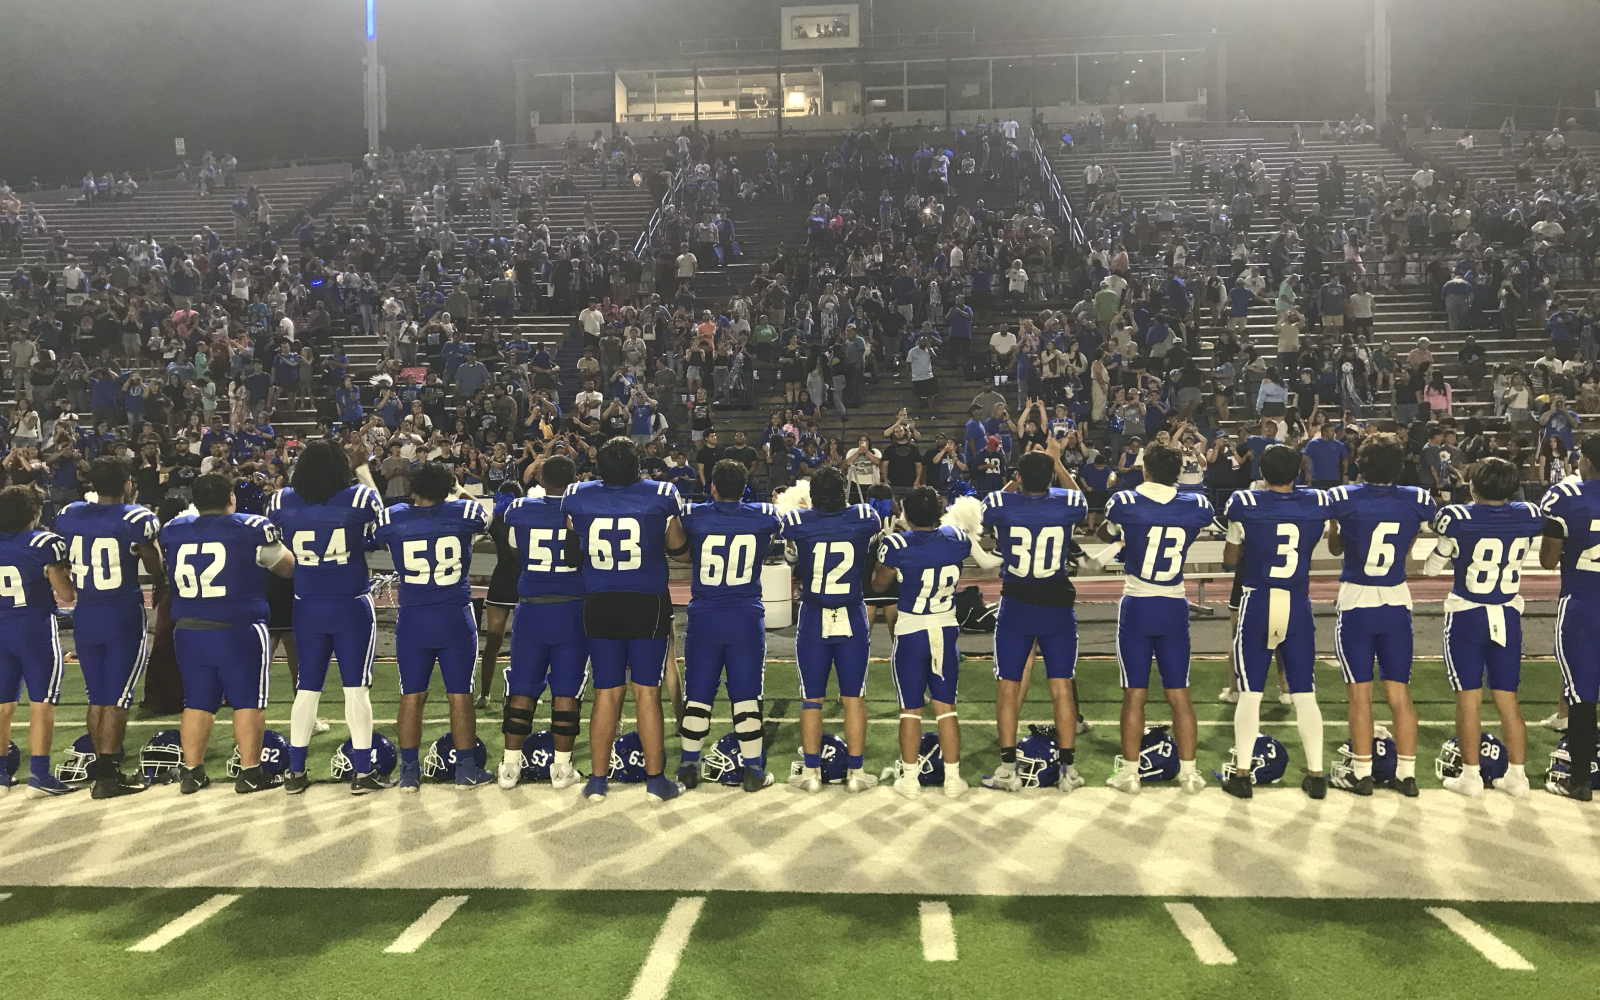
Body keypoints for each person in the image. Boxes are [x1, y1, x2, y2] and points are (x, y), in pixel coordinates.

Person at [563, 436, 688, 803]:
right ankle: (655, 782)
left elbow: (574, 545)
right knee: (646, 691)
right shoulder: (661, 493)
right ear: (638, 467)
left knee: (607, 691)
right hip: (646, 601)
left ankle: (598, 781)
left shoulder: (578, 495)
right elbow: (678, 549)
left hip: (599, 600)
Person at [264, 441, 389, 794]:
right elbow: (382, 522)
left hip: (306, 605)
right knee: (355, 688)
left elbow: (271, 541)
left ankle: (296, 771)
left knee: (307, 688)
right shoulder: (358, 499)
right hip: (350, 604)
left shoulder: (282, 500)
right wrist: (364, 472)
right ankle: (362, 772)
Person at [161, 473, 296, 794]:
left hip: (189, 629)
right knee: (248, 701)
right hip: (239, 628)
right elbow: (286, 567)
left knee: (196, 701)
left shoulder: (174, 531)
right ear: (231, 498)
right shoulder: (251, 528)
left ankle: (191, 772)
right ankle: (251, 772)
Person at [1099, 442, 1214, 795]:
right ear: (1177, 472)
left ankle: (1131, 774)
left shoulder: (1126, 502)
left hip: (1138, 603)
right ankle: (1190, 773)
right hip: (1174, 604)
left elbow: (1104, 533)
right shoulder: (1196, 505)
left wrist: (1122, 538)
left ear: (1145, 470)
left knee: (1134, 694)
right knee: (1179, 693)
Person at [1324, 435, 1436, 797]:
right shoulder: (1417, 499)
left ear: (1362, 464)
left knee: (1360, 695)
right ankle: (1406, 774)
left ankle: (1362, 772)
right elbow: (1410, 543)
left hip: (1357, 601)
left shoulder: (1344, 498)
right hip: (1396, 601)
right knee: (1399, 694)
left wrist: (1337, 528)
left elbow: (1335, 545)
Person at [1423, 457, 1542, 799]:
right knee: (1508, 699)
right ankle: (1518, 777)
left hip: (1468, 614)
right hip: (1506, 614)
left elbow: (1432, 569)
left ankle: (1471, 776)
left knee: (1468, 700)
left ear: (1473, 485)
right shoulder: (1527, 514)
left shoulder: (1459, 518)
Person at [372, 462, 494, 791]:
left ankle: (410, 773)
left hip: (414, 617)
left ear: (414, 489)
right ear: (447, 489)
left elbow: (376, 536)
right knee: (460, 695)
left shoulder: (394, 516)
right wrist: (454, 489)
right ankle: (466, 770)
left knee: (411, 696)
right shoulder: (464, 511)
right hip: (455, 615)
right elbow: (484, 514)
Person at [53, 457, 168, 798]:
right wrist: (160, 580)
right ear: (127, 484)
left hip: (86, 613)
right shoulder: (137, 518)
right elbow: (153, 562)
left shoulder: (70, 515)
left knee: (97, 695)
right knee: (118, 696)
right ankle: (108, 774)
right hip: (122, 614)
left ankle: (104, 761)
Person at [979, 445, 1090, 793]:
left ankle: (1008, 767)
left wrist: (1016, 482)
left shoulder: (1001, 503)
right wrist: (1058, 463)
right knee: (1061, 688)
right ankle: (1068, 771)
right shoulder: (1067, 503)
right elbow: (1079, 499)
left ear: (1020, 477)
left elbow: (990, 503)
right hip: (1056, 604)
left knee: (1008, 688)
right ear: (1052, 478)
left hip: (1016, 604)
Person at [1221, 445, 1329, 799]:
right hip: (1297, 602)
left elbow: (1229, 559)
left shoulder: (1245, 503)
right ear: (1298, 472)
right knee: (1304, 692)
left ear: (1262, 474)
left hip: (1257, 600)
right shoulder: (1317, 502)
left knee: (1250, 694)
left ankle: (1242, 775)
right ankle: (1316, 774)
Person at [673, 459, 783, 792]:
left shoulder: (694, 516)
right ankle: (753, 770)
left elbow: (677, 545)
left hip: (705, 615)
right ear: (745, 488)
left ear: (713, 487)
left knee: (699, 695)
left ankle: (688, 767)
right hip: (745, 616)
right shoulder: (765, 516)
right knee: (747, 696)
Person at [782, 466, 883, 793]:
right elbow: (871, 519)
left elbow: (789, 536)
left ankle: (811, 774)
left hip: (813, 615)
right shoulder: (865, 516)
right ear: (843, 493)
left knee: (812, 699)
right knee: (854, 697)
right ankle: (856, 774)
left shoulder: (799, 523)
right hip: (852, 614)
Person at [872, 486, 971, 798]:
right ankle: (953, 779)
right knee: (946, 708)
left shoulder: (897, 543)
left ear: (907, 513)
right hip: (944, 628)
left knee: (910, 709)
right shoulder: (956, 538)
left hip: (912, 630)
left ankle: (911, 779)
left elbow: (878, 583)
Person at [497, 455, 587, 790]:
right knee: (567, 689)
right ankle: (561, 768)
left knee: (522, 685)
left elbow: (507, 522)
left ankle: (509, 767)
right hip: (571, 610)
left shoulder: (521, 507)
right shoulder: (582, 512)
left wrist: (529, 474)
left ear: (541, 477)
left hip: (532, 609)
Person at [0, 486, 77, 795]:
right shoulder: (43, 544)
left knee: (3, 705)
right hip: (33, 627)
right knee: (42, 702)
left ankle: (1, 776)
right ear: (33, 513)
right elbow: (67, 594)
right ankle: (40, 775)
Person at [1539, 435, 1600, 800]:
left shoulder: (1565, 498)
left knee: (1581, 698)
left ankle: (1579, 780)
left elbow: (1548, 560)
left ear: (1588, 462)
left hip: (1582, 605)